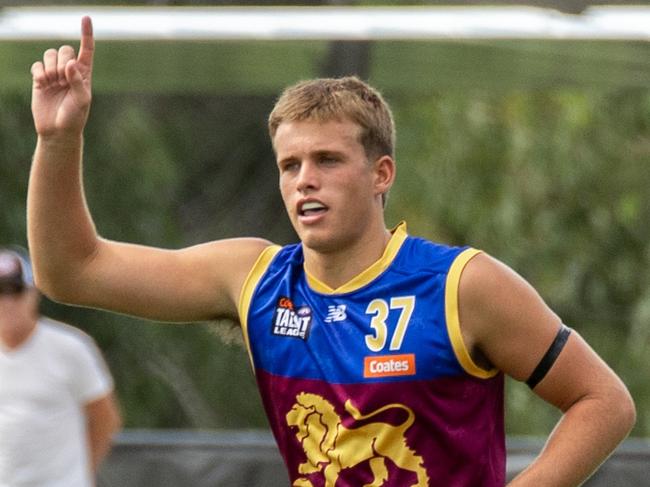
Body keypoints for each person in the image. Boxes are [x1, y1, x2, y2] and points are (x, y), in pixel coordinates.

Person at [27, 16, 634, 487]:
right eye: (289, 165)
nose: (303, 180)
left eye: (328, 160)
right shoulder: (254, 279)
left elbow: (604, 401)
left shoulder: (461, 286)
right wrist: (59, 140)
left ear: (381, 173)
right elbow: (71, 270)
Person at [0, 247, 121, 487]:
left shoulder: (70, 348)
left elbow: (105, 419)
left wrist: (79, 474)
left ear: (34, 293)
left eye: (15, 291)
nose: (7, 302)